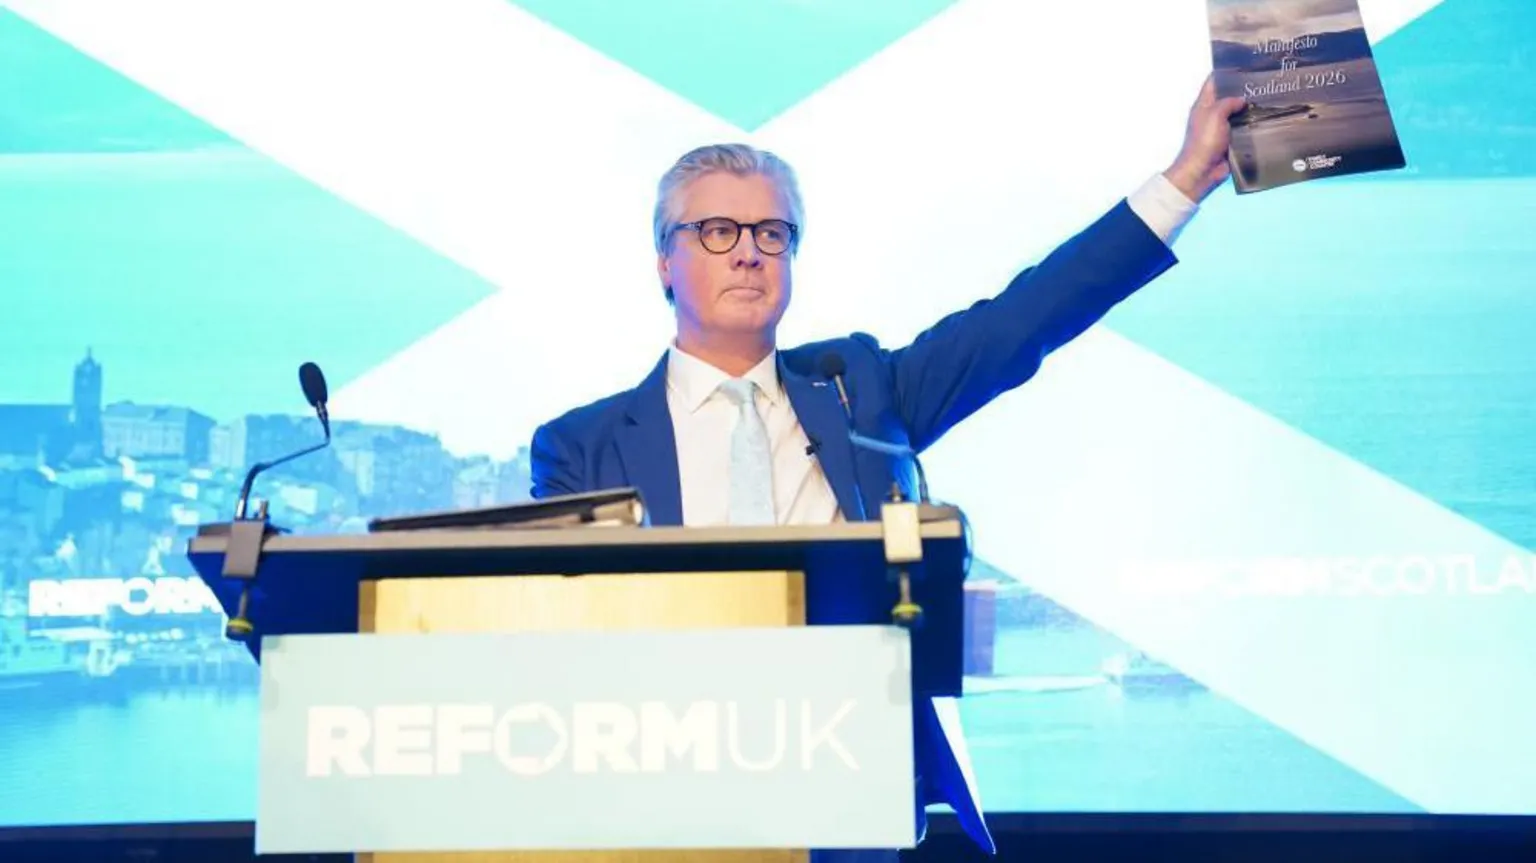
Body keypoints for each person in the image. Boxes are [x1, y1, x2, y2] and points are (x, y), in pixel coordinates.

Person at [530, 77, 1246, 859]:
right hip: (667, 813)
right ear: (665, 260)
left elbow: (1025, 319)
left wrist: (1188, 178)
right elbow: (574, 649)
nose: (747, 250)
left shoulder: (862, 392)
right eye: (716, 230)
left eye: (773, 233)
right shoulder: (581, 445)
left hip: (849, 802)